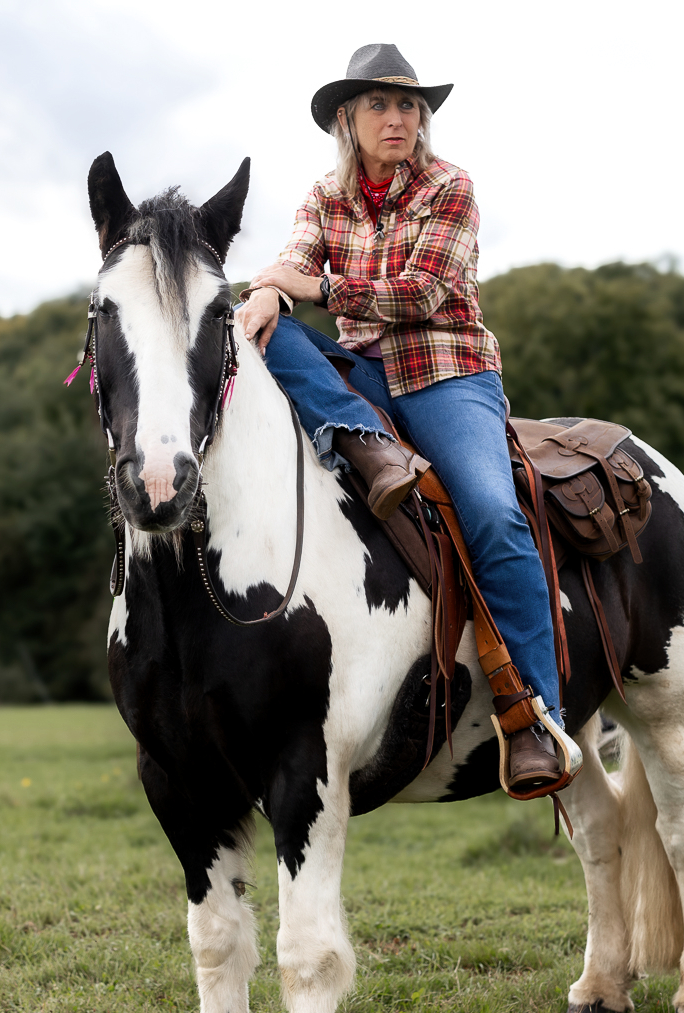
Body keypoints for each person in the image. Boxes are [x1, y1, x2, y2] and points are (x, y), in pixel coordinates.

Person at [238, 44, 566, 794]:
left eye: (409, 106)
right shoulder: (325, 196)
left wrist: (307, 285)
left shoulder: (450, 187)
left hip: (446, 374)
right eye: (380, 106)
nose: (398, 119)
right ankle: (366, 443)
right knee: (263, 333)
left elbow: (420, 292)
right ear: (347, 122)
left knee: (491, 513)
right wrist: (264, 292)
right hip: (365, 383)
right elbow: (287, 263)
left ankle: (536, 715)